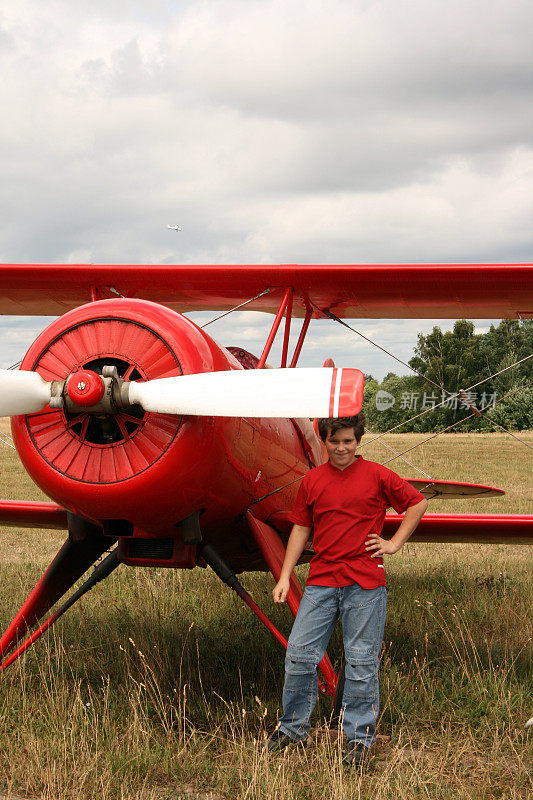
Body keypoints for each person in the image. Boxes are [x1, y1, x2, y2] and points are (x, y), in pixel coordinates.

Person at [266, 413, 427, 765]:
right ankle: (292, 727)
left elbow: (418, 502)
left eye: (348, 441)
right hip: (322, 581)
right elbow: (299, 529)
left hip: (365, 583)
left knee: (361, 662)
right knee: (298, 655)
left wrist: (394, 543)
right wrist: (284, 576)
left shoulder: (378, 475)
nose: (341, 448)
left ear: (358, 441)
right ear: (324, 441)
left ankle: (358, 737)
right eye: (334, 441)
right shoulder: (312, 480)